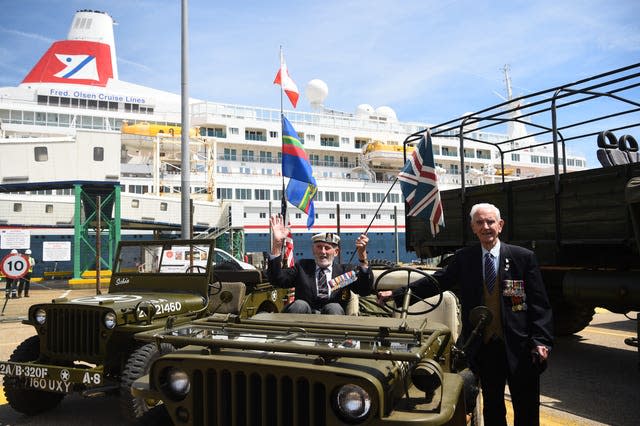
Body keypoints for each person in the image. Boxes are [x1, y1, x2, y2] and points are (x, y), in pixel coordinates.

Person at [378, 203, 553, 426]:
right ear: (473, 227)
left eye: (490, 222)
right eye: (480, 222)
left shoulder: (523, 258)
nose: (485, 227)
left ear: (500, 226)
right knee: (492, 406)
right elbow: (437, 282)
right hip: (487, 347)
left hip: (522, 347)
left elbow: (540, 304)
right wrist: (398, 293)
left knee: (526, 408)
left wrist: (541, 342)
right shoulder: (465, 258)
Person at [268, 213, 373, 315]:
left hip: (333, 321)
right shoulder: (302, 267)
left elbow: (364, 290)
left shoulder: (344, 272)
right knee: (300, 305)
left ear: (336, 252)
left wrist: (362, 257)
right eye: (319, 247)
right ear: (313, 250)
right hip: (304, 320)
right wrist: (277, 244)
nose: (323, 252)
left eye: (327, 248)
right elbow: (277, 279)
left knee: (333, 307)